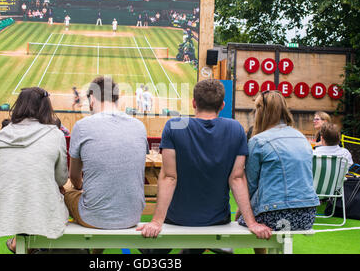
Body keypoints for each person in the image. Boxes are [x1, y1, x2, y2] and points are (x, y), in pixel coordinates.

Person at [137, 79, 272, 254]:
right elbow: (237, 179)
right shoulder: (236, 128)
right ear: (222, 105)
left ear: (194, 103)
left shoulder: (174, 125)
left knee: (153, 250)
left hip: (177, 218)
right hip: (216, 219)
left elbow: (169, 177)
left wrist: (156, 221)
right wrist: (251, 222)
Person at [237, 90, 320, 253]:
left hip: (276, 215)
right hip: (307, 215)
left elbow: (250, 185)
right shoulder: (301, 138)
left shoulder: (258, 141)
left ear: (260, 112)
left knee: (246, 218)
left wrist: (240, 215)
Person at [0, 87, 69, 253]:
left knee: (30, 189)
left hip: (6, 208)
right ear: (46, 107)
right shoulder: (55, 135)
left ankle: (23, 242)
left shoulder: (0, 136)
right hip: (36, 207)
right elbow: (61, 179)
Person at [66, 76, 147, 235]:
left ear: (92, 98)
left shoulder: (82, 126)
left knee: (65, 189)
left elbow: (74, 177)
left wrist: (81, 188)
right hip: (133, 216)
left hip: (94, 217)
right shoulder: (139, 126)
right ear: (116, 99)